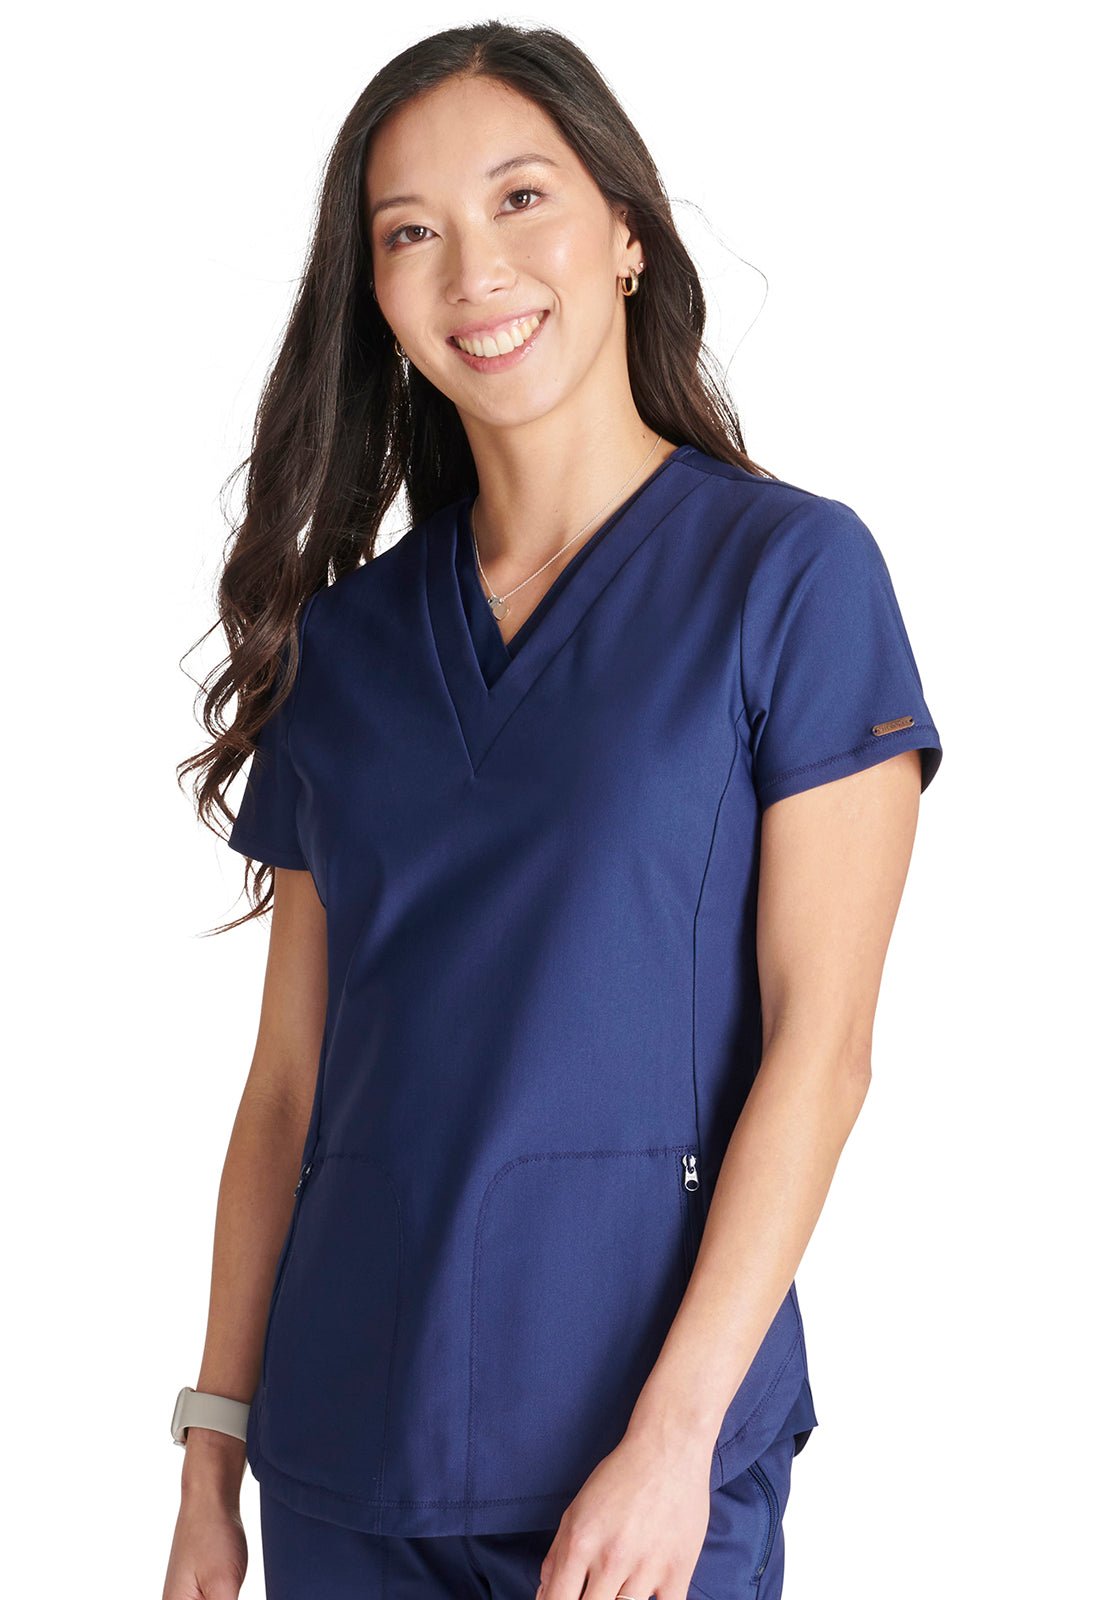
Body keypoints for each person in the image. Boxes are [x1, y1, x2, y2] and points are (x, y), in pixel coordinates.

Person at [165, 21, 944, 1600]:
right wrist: (211, 1458)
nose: (476, 272)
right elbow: (286, 1093)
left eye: (522, 199)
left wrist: (675, 1439)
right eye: (411, 234)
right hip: (340, 1464)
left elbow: (826, 1046)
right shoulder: (348, 647)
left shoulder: (789, 578)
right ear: (377, 297)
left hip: (635, 1475)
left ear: (627, 236)